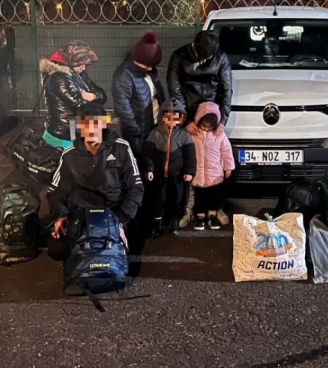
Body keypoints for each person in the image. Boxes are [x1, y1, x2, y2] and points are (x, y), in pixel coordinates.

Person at [47, 102, 144, 260]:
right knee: (57, 250)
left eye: (96, 124)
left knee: (113, 253)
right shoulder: (69, 154)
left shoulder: (121, 148)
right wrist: (62, 215)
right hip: (81, 212)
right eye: (86, 125)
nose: (91, 130)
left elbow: (136, 187)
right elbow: (55, 191)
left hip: (113, 212)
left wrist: (120, 220)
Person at [142, 99, 197, 237]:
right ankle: (157, 225)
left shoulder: (184, 135)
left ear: (181, 118)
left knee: (177, 200)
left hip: (177, 176)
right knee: (158, 200)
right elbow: (147, 154)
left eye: (175, 117)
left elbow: (190, 156)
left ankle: (174, 222)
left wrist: (189, 172)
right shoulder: (155, 134)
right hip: (159, 176)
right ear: (162, 117)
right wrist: (149, 168)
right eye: (168, 116)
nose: (171, 120)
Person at [40, 40, 107, 150]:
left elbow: (102, 95)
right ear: (70, 61)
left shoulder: (76, 73)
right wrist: (93, 98)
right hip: (64, 136)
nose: (83, 68)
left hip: (76, 132)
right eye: (80, 64)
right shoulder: (59, 77)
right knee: (65, 165)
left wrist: (93, 96)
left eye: (85, 64)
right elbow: (80, 106)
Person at [111, 31, 164, 157]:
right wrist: (137, 131)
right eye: (147, 65)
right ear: (137, 59)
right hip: (139, 134)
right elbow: (124, 109)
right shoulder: (123, 75)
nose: (151, 68)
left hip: (154, 126)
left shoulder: (149, 70)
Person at [186, 102, 235, 231]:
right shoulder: (193, 133)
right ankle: (200, 216)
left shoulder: (219, 134)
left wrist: (228, 166)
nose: (206, 129)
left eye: (209, 127)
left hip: (215, 172)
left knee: (214, 195)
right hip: (198, 172)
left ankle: (212, 215)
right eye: (204, 126)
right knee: (200, 196)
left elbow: (226, 150)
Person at [167, 30, 233, 125]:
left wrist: (222, 122)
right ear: (193, 45)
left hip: (212, 112)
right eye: (200, 57)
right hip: (187, 108)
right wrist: (185, 119)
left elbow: (227, 90)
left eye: (208, 58)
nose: (203, 61)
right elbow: (174, 90)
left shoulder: (221, 58)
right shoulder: (179, 57)